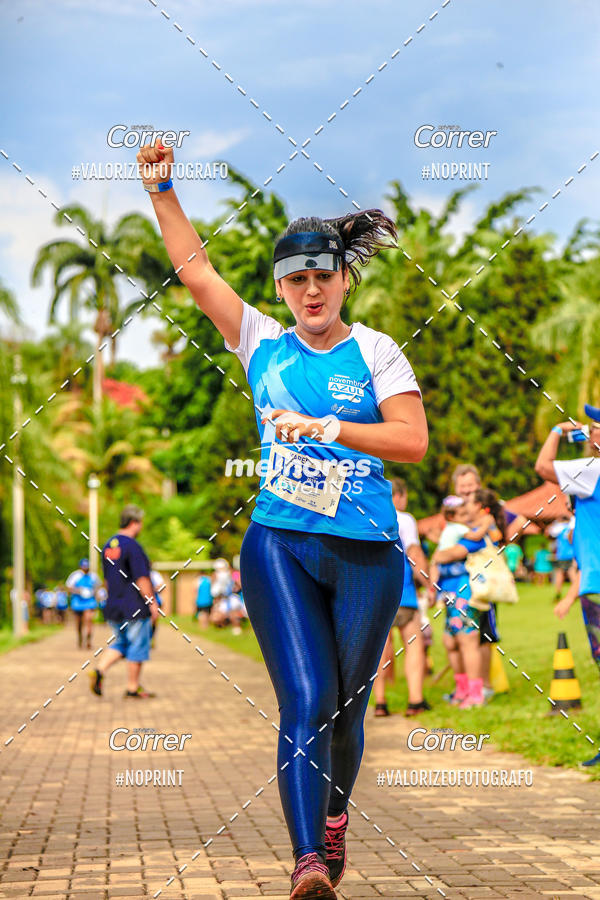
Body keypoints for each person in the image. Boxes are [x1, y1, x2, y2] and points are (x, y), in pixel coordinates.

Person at [138, 138, 428, 899]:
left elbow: (412, 441)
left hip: (366, 551)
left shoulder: (378, 353)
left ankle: (333, 822)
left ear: (344, 279)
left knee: (345, 711)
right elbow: (195, 271)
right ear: (281, 286)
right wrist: (162, 192)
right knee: (304, 701)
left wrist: (332, 429)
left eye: (322, 276)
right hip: (280, 544)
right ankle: (307, 863)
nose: (310, 291)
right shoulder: (260, 341)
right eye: (296, 279)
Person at [535, 406, 600, 766]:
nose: (588, 430)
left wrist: (558, 431)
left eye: (594, 426)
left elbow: (543, 467)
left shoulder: (592, 470)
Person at [433, 490, 506, 708]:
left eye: (468, 510)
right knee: (450, 641)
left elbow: (446, 555)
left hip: (463, 592)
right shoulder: (458, 531)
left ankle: (475, 694)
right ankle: (462, 690)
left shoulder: (474, 535)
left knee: (467, 639)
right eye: (461, 512)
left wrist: (438, 555)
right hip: (448, 592)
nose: (465, 515)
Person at [373, 478, 431, 717]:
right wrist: (429, 584)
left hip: (376, 594)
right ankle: (415, 700)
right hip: (402, 593)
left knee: (380, 650)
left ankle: (380, 703)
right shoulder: (404, 519)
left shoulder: (368, 516)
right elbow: (414, 553)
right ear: (398, 496)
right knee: (413, 645)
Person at [89, 505, 159, 699]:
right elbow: (141, 578)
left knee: (122, 642)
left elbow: (107, 579)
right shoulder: (133, 546)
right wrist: (152, 602)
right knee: (138, 645)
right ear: (134, 522)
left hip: (114, 605)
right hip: (134, 605)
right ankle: (132, 687)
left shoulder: (108, 546)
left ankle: (99, 670)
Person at [66, 558, 101, 649]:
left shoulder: (93, 576)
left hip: (90, 602)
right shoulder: (75, 575)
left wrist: (95, 594)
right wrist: (79, 591)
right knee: (79, 623)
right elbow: (69, 587)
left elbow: (98, 587)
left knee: (89, 619)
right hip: (77, 602)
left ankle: (88, 640)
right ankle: (80, 638)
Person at [548, 515, 576, 599]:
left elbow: (549, 532)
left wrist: (555, 522)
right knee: (572, 573)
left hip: (562, 554)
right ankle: (577, 592)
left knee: (559, 573)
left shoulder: (560, 527)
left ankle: (558, 592)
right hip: (572, 554)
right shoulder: (571, 527)